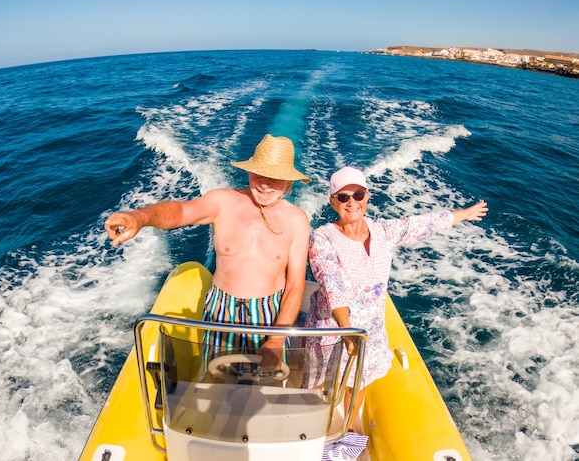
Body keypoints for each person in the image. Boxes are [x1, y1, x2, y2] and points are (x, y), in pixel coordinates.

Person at [304, 166, 488, 430]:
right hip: (333, 330)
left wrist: (464, 214)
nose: (352, 202)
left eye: (358, 194)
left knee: (357, 385)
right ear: (333, 201)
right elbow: (332, 283)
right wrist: (346, 330)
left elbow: (421, 224)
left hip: (370, 332)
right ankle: (309, 429)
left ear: (367, 196)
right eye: (343, 197)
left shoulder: (383, 230)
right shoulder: (323, 238)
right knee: (319, 383)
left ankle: (343, 435)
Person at [105, 134, 311, 368]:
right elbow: (180, 212)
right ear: (249, 171)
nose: (264, 183)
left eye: (274, 177)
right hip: (220, 309)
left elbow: (295, 284)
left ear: (288, 181)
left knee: (268, 381)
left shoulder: (297, 221)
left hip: (268, 313)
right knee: (216, 377)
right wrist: (140, 217)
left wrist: (276, 338)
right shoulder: (223, 201)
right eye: (258, 173)